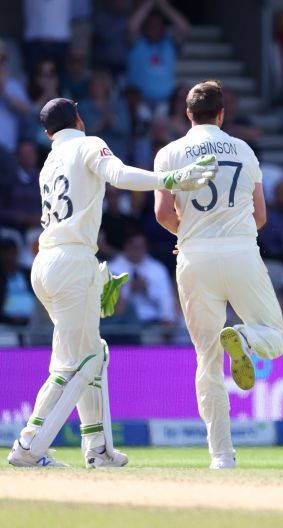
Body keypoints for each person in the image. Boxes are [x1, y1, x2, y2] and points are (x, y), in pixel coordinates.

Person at [7, 97, 218, 468]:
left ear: (46, 132)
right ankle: (29, 446)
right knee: (79, 361)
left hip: (47, 261)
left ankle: (99, 449)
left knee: (94, 353)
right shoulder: (88, 144)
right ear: (78, 117)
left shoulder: (48, 161)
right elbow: (118, 175)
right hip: (71, 260)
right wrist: (167, 179)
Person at [153, 80, 283, 469]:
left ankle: (221, 456)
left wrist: (189, 234)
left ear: (188, 114)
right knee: (275, 337)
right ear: (222, 112)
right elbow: (260, 216)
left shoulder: (170, 153)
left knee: (207, 359)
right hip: (242, 253)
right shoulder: (244, 150)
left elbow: (163, 214)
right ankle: (245, 335)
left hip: (194, 257)